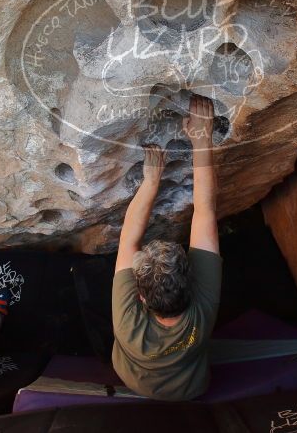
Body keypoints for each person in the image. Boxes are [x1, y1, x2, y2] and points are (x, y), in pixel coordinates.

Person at [111, 94, 221, 401]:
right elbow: (205, 212)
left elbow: (128, 240)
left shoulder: (127, 325)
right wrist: (201, 137)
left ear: (141, 297)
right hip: (192, 388)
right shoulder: (203, 307)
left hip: (134, 380)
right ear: (191, 282)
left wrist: (150, 182)